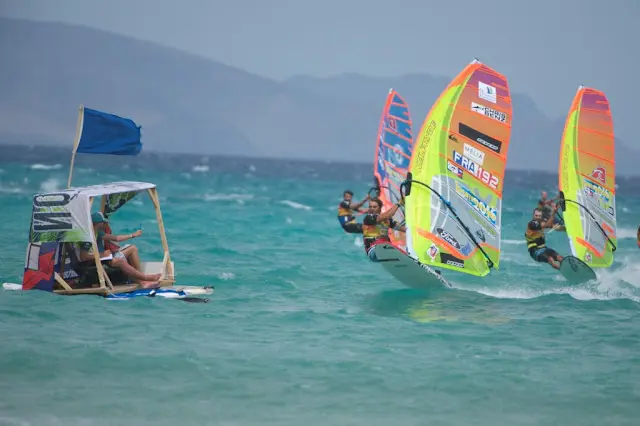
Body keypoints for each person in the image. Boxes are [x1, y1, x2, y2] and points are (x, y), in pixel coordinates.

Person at [79, 212, 161, 288]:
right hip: (96, 260)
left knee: (133, 248)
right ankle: (145, 279)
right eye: (102, 222)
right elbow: (83, 256)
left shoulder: (98, 233)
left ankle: (141, 278)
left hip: (104, 257)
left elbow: (116, 238)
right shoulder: (88, 237)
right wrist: (101, 255)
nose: (104, 224)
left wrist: (133, 235)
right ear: (97, 223)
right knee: (120, 261)